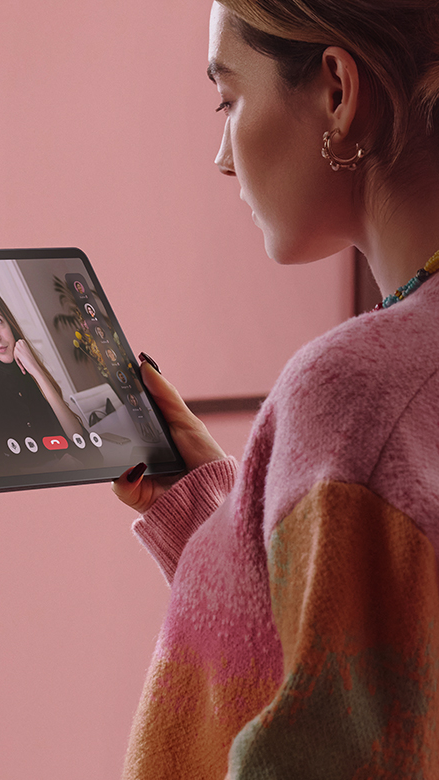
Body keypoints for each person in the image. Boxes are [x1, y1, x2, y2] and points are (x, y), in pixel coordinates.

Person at [112, 0, 439, 776]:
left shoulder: (355, 392)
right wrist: (230, 514)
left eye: (228, 99)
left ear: (337, 91)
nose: (222, 157)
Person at [0, 273, 87, 476]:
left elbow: (79, 439)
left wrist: (37, 372)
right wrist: (50, 472)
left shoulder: (25, 362)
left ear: (8, 322)